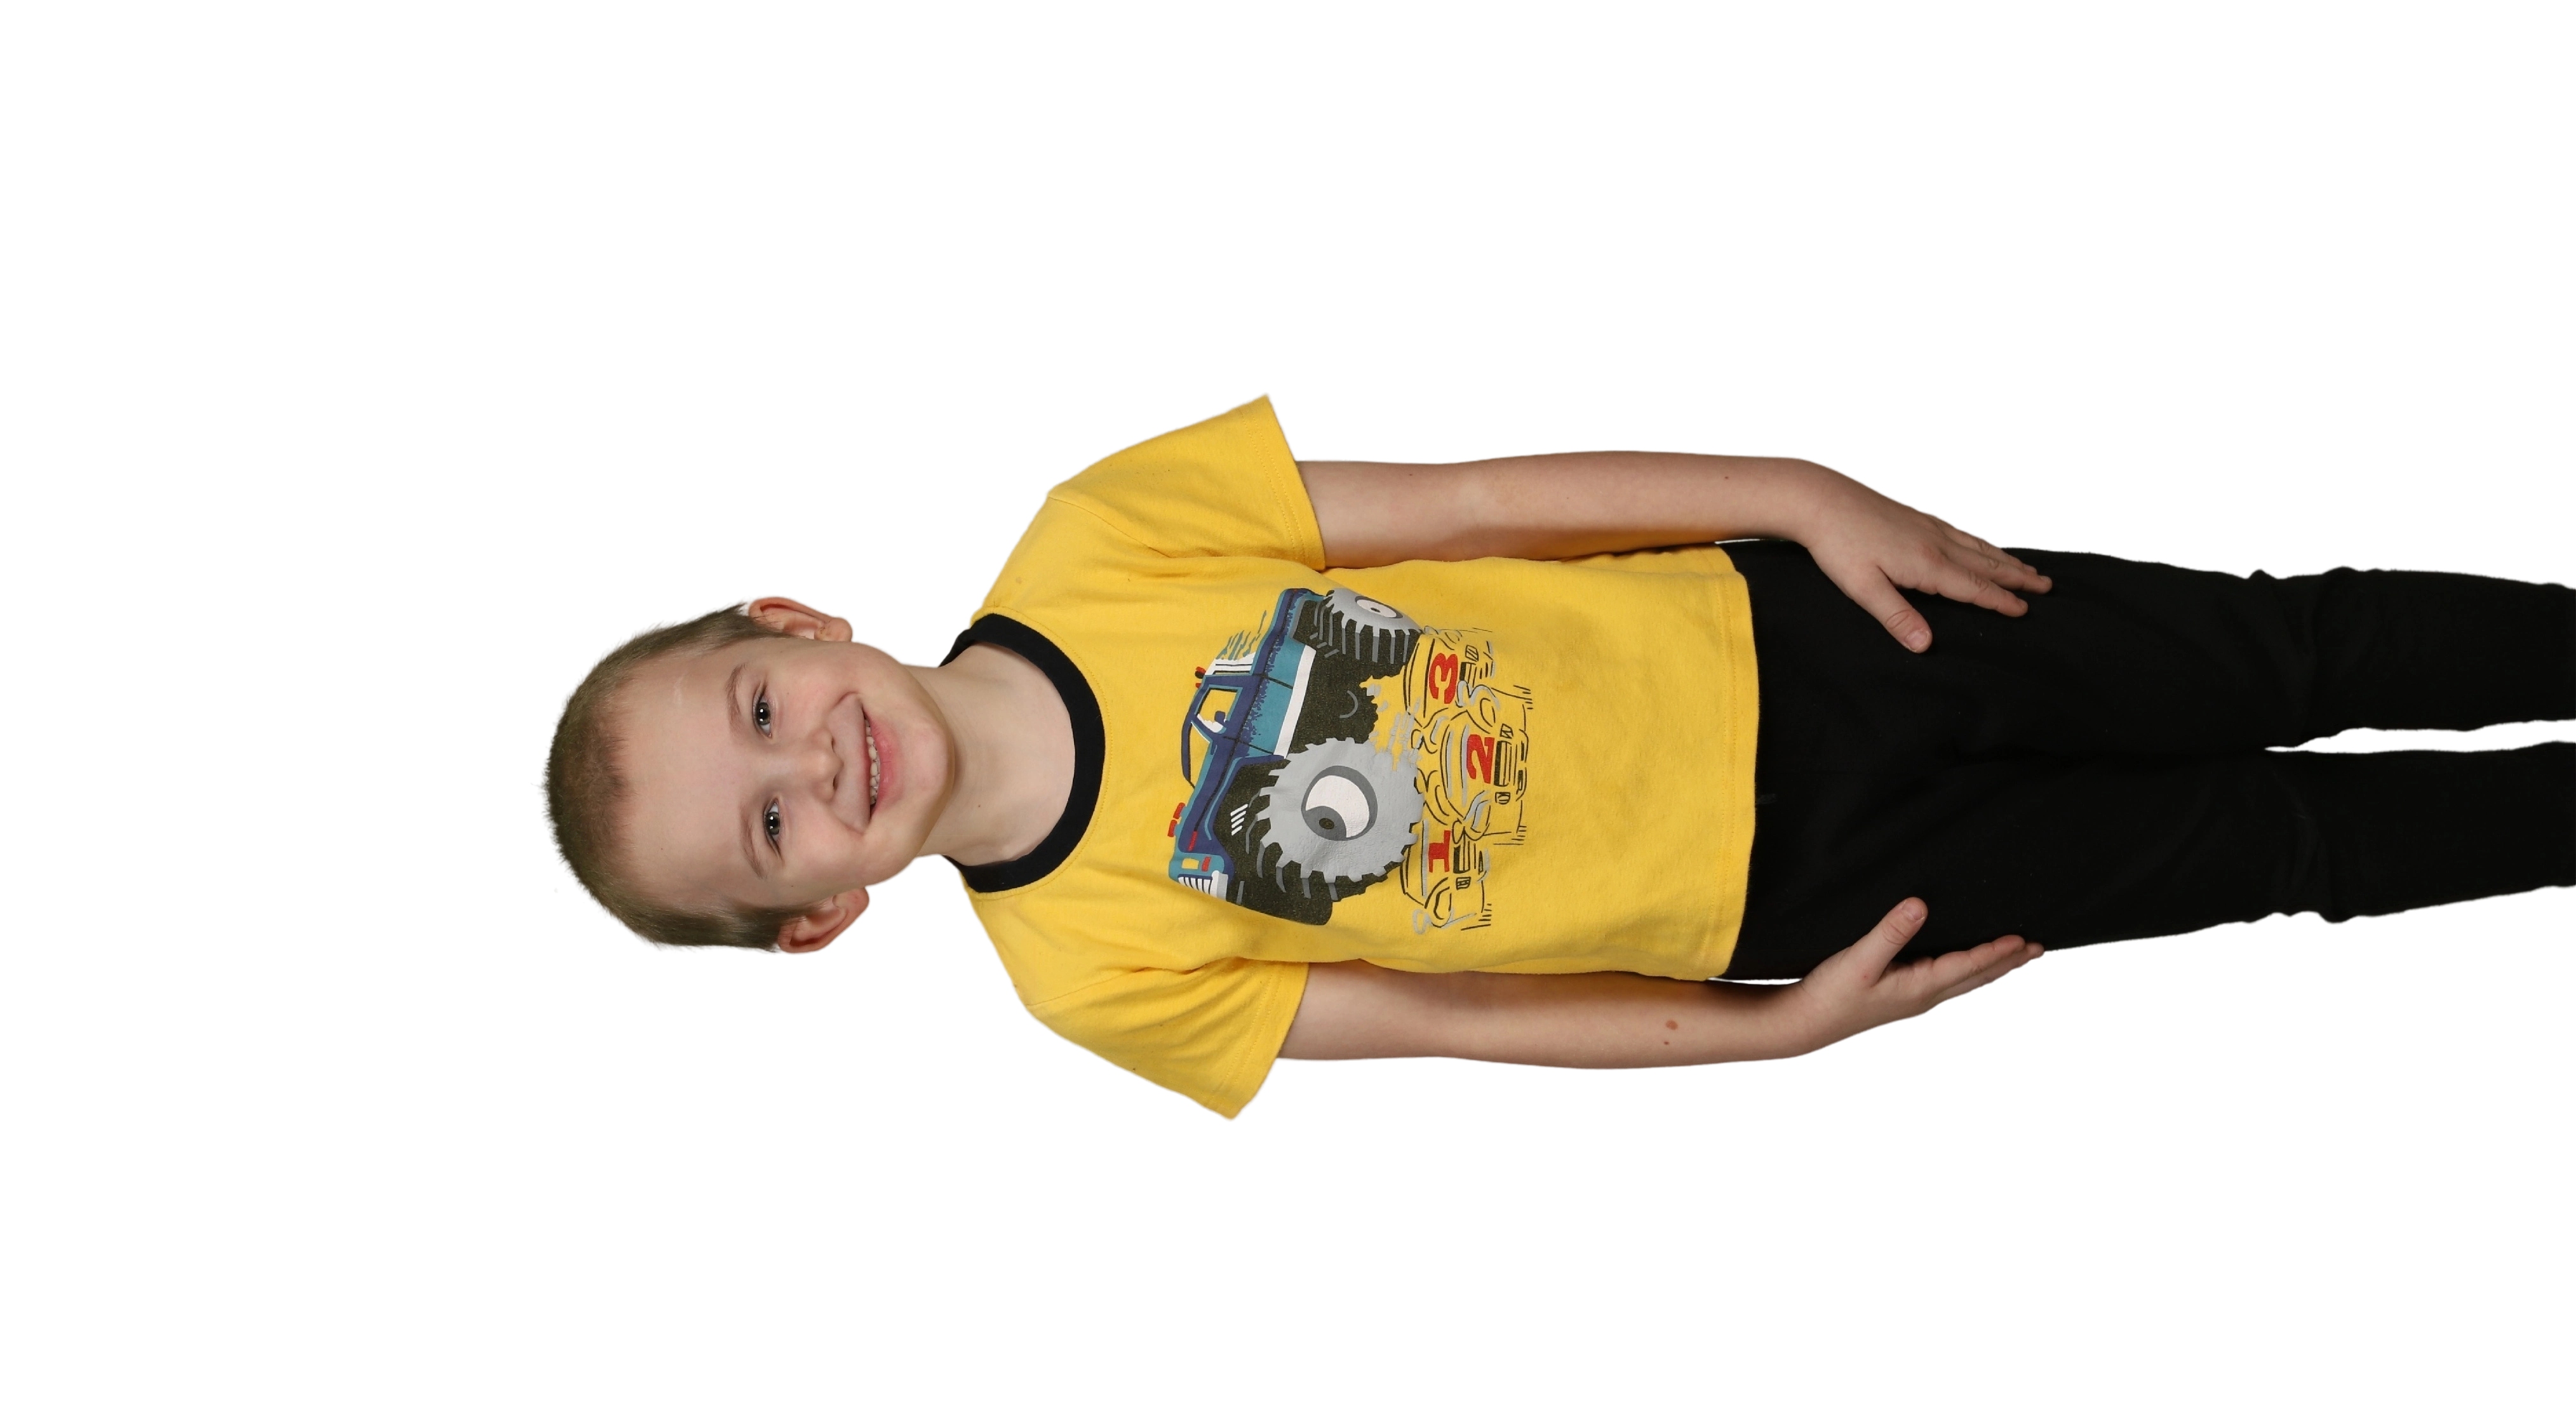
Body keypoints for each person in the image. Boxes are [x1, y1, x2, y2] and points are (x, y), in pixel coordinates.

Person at [532, 391, 2576, 1122]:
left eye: (761, 713)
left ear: (795, 621)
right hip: (1789, 903)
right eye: (771, 829)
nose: (818, 769)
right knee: (2277, 845)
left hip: (1807, 636)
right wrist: (1772, 1036)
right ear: (818, 921)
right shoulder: (1090, 978)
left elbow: (1472, 501)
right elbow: (1454, 1018)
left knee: (2279, 650)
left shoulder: (1097, 532)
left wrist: (1790, 493)